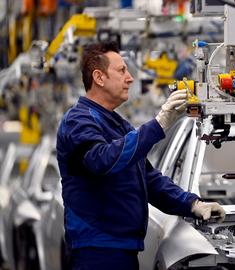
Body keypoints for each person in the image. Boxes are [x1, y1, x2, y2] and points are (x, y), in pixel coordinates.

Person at [56, 41, 225, 270]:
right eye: (122, 70)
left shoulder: (118, 124)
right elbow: (103, 161)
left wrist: (193, 204)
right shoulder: (78, 121)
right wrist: (158, 124)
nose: (130, 78)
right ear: (99, 77)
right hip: (97, 251)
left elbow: (148, 179)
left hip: (122, 249)